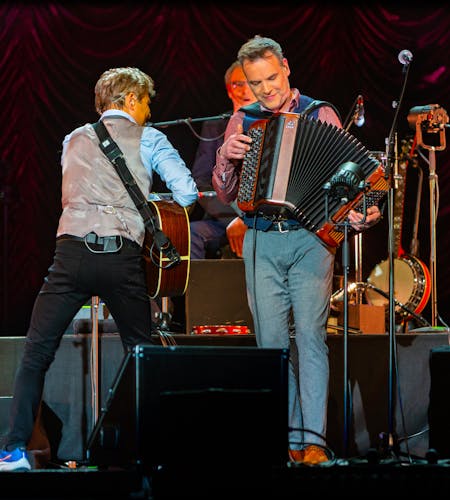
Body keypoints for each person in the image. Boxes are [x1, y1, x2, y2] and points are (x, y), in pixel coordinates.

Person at [0, 67, 198, 471]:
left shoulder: (72, 138)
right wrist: (144, 202)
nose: (148, 111)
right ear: (129, 100)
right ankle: (153, 452)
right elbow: (187, 193)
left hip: (69, 256)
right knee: (142, 354)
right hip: (121, 259)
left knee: (36, 353)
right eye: (145, 102)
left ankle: (13, 450)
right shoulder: (151, 139)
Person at [212, 36, 382, 465]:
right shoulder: (242, 120)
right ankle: (287, 440)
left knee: (310, 339)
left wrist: (361, 213)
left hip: (311, 239)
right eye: (255, 83)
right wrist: (224, 158)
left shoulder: (319, 112)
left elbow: (351, 177)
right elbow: (225, 191)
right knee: (270, 344)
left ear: (286, 67)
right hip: (260, 238)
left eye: (271, 78)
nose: (265, 90)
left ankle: (314, 444)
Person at [190, 61, 256, 259]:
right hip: (223, 218)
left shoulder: (275, 123)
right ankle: (196, 291)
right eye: (238, 84)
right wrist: (231, 220)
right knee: (191, 234)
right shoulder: (215, 126)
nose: (245, 90)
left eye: (250, 83)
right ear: (229, 90)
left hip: (264, 217)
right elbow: (201, 181)